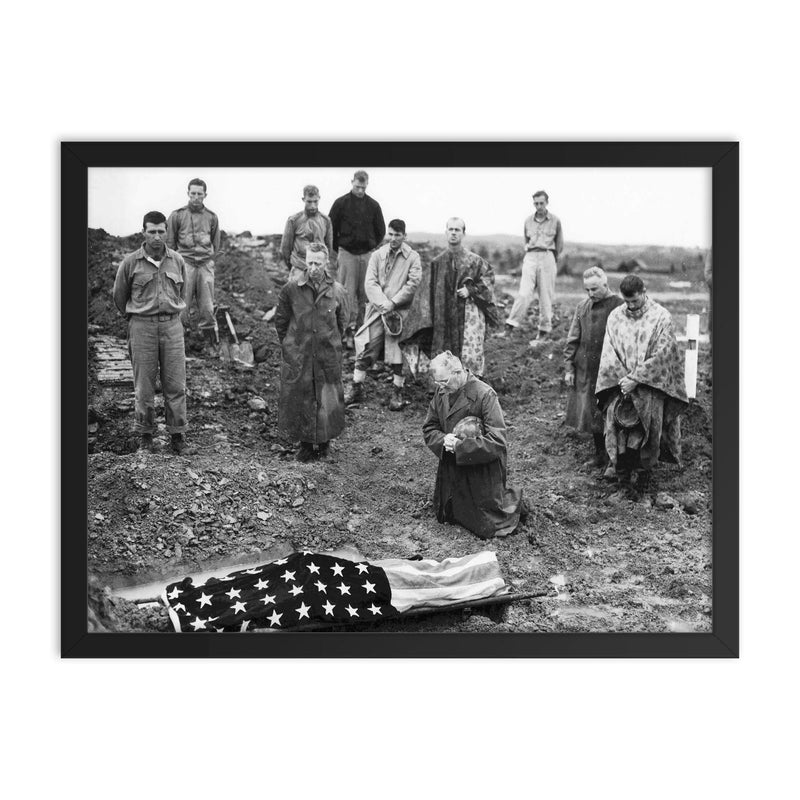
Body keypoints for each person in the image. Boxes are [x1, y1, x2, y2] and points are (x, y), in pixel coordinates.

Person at [595, 274, 688, 494]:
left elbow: (664, 355)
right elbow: (609, 354)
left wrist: (636, 378)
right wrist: (623, 381)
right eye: (627, 301)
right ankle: (623, 483)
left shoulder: (661, 317)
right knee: (617, 428)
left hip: (650, 387)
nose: (631, 306)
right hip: (621, 385)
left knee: (649, 431)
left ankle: (645, 484)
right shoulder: (615, 317)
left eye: (635, 301)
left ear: (644, 292)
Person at [422, 352, 525, 539]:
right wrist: (443, 440)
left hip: (480, 469)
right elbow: (430, 427)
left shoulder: (485, 394)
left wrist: (460, 447)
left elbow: (498, 440)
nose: (440, 388)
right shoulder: (442, 390)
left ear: (458, 372)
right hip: (452, 468)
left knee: (487, 526)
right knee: (446, 514)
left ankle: (516, 502)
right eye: (437, 383)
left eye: (443, 382)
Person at [113, 211, 190, 455]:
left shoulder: (177, 260)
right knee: (144, 387)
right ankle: (145, 437)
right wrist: (138, 316)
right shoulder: (131, 262)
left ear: (167, 232)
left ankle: (177, 437)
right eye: (151, 231)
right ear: (143, 232)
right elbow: (119, 296)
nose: (157, 237)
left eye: (161, 231)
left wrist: (173, 317)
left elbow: (183, 292)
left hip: (172, 327)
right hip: (142, 327)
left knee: (175, 385)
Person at [274, 242, 348, 462]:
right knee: (303, 397)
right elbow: (281, 321)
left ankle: (324, 445)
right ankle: (306, 445)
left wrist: (329, 343)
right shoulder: (291, 289)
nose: (314, 267)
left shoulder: (337, 290)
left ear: (327, 262)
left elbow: (342, 322)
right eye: (310, 262)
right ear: (305, 262)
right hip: (301, 354)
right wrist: (292, 346)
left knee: (326, 398)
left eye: (318, 262)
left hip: (327, 354)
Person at [400, 217, 499, 378]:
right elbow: (425, 293)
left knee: (468, 356)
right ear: (446, 232)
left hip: (466, 316)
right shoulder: (436, 263)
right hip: (443, 318)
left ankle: (470, 387)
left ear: (463, 233)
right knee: (442, 355)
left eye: (457, 230)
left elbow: (488, 278)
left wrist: (471, 290)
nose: (453, 233)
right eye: (451, 229)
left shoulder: (474, 261)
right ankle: (442, 389)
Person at [344, 219, 422, 411]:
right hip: (377, 311)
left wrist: (393, 303)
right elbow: (370, 282)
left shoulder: (413, 257)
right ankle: (356, 387)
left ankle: (397, 391)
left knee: (398, 352)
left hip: (400, 312)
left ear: (404, 236)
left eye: (398, 235)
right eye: (391, 234)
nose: (394, 238)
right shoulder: (378, 255)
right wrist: (382, 304)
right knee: (367, 345)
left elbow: (413, 284)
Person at [563, 267, 624, 467]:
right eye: (587, 290)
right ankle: (599, 455)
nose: (591, 294)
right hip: (586, 370)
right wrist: (569, 368)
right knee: (591, 413)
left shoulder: (619, 306)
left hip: (611, 371)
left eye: (595, 289)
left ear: (606, 285)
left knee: (613, 413)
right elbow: (573, 338)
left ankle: (614, 460)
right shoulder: (582, 307)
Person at [328, 170, 386, 348]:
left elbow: (381, 230)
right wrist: (339, 249)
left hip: (366, 255)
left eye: (363, 187)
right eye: (357, 187)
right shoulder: (341, 203)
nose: (360, 190)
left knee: (366, 296)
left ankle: (362, 333)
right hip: (346, 254)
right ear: (351, 182)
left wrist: (371, 246)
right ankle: (344, 333)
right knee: (345, 295)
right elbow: (331, 228)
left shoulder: (373, 206)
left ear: (367, 185)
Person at [502, 190, 564, 344]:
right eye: (536, 203)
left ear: (547, 203)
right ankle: (510, 326)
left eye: (541, 203)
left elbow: (560, 244)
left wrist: (551, 258)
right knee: (524, 293)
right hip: (530, 256)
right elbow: (525, 240)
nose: (539, 206)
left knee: (545, 295)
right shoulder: (528, 221)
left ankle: (544, 331)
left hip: (547, 256)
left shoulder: (555, 221)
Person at [166, 178, 221, 350]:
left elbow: (216, 245)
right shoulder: (177, 215)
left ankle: (207, 343)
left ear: (205, 195)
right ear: (188, 193)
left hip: (205, 265)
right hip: (185, 265)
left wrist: (209, 263)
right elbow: (170, 243)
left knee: (207, 306)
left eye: (200, 194)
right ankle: (179, 341)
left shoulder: (212, 217)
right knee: (182, 303)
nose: (196, 197)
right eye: (193, 193)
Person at [280, 184, 334, 280]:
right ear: (303, 199)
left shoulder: (326, 221)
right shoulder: (294, 220)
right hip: (299, 269)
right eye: (309, 202)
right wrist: (294, 267)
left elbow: (328, 248)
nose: (312, 206)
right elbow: (285, 249)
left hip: (319, 272)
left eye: (315, 201)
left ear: (319, 199)